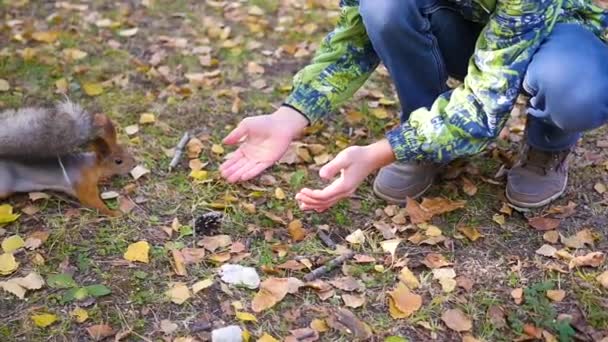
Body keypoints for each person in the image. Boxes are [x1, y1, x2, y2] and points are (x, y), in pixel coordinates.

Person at [220, 0, 608, 212]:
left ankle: (548, 147)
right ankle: (423, 136)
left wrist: (380, 152)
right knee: (382, 7)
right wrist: (290, 115)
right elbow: (355, 37)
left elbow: (485, 99)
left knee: (576, 90)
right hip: (470, 22)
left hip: (555, 34)